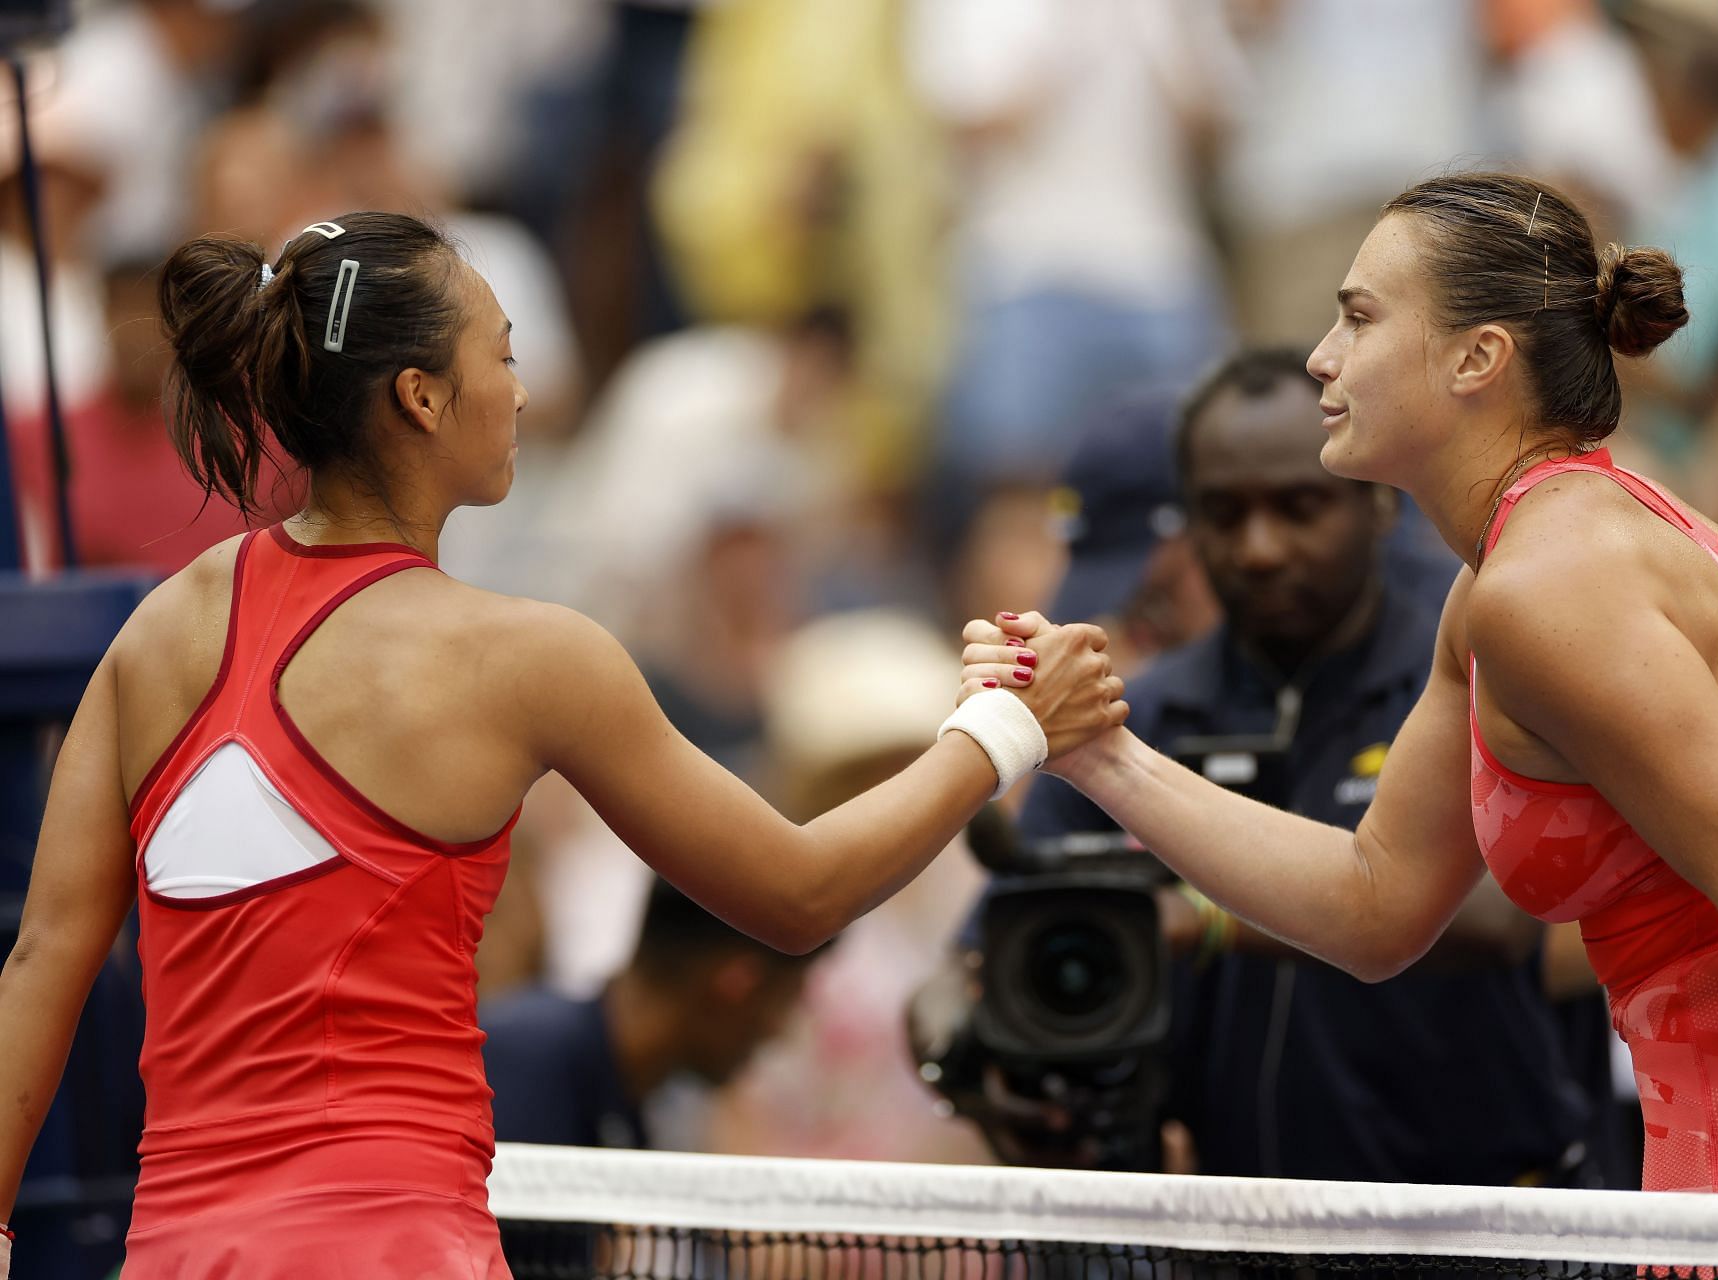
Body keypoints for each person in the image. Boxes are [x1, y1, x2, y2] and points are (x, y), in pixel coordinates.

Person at [0, 211, 1124, 1279]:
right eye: (504, 354)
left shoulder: (159, 631)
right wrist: (1006, 725)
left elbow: (44, 957)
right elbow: (800, 891)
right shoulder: (527, 657)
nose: (524, 389)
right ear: (422, 396)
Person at [961, 173, 1718, 1196]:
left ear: (1478, 357)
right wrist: (1099, 750)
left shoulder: (1549, 587)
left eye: (1359, 318)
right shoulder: (1510, 579)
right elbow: (1376, 902)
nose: (1322, 357)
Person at [945, 348, 1609, 1186]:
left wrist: (1199, 916)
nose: (1259, 549)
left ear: (1374, 501)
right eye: (1223, 514)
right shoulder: (1134, 719)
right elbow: (975, 958)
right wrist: (969, 1067)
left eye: (1299, 508)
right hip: (1232, 1227)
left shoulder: (1479, 669)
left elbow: (1500, 916)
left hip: (1482, 1223)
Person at [480, 883, 816, 1150]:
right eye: (787, 996)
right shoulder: (520, 1069)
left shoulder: (630, 1105)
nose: (778, 1031)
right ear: (737, 983)